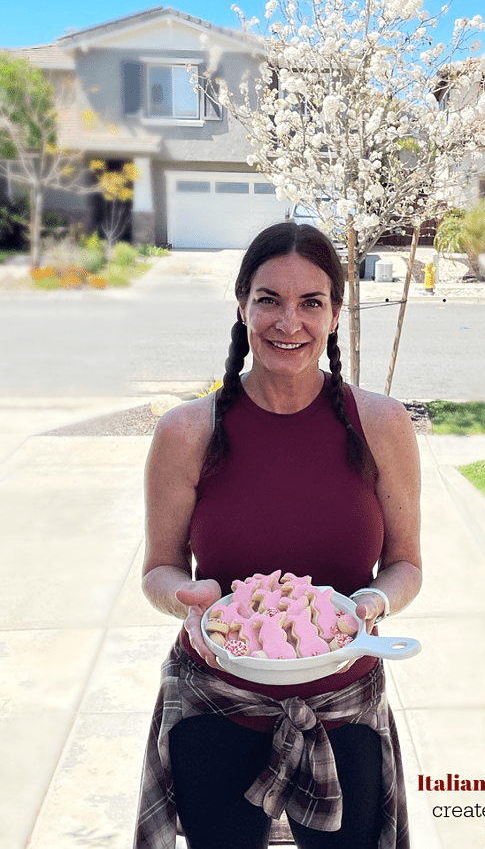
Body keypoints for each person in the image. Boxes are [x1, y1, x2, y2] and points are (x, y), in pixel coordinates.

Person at [135, 221, 422, 849]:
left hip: (343, 709)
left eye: (310, 302)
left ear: (336, 313)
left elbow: (405, 564)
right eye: (269, 299)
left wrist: (375, 603)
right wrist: (186, 601)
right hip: (215, 708)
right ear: (242, 305)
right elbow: (160, 569)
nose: (288, 322)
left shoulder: (381, 425)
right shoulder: (188, 431)